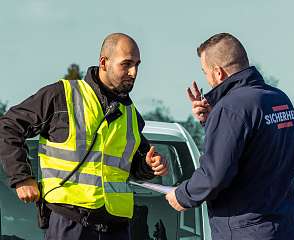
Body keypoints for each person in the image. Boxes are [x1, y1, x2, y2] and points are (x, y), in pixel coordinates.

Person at [0, 33, 168, 240]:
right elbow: (8, 126)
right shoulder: (61, 96)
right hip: (70, 222)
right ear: (104, 62)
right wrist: (21, 177)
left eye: (137, 65)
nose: (133, 72)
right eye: (126, 64)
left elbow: (134, 168)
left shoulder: (131, 114)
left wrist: (150, 165)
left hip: (117, 227)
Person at [165, 33, 294, 239]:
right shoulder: (278, 98)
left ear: (218, 72)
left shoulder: (231, 108)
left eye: (205, 73)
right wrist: (211, 120)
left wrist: (183, 195)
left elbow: (214, 174)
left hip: (247, 228)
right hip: (287, 225)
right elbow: (253, 150)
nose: (207, 79)